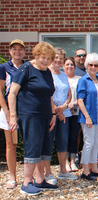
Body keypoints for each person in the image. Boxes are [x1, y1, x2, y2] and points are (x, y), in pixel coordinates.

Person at [8, 41, 58, 195]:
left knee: (44, 147)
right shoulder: (26, 68)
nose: (46, 61)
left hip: (45, 115)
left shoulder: (47, 72)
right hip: (29, 114)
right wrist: (13, 116)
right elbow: (12, 93)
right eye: (43, 57)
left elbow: (49, 95)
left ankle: (40, 180)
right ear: (36, 55)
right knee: (33, 146)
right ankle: (26, 182)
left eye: (49, 58)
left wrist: (53, 114)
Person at [46, 48, 78, 182]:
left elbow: (69, 93)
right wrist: (55, 110)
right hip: (50, 113)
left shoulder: (63, 74)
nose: (58, 60)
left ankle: (63, 171)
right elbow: (46, 93)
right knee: (48, 142)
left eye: (61, 58)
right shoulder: (46, 73)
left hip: (64, 113)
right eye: (56, 57)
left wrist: (64, 106)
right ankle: (47, 173)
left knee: (63, 141)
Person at [77, 52, 98, 181]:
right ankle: (85, 171)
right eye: (91, 65)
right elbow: (80, 100)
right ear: (86, 65)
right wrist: (87, 117)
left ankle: (95, 168)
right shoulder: (83, 80)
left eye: (96, 65)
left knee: (97, 143)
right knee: (89, 143)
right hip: (89, 118)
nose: (93, 67)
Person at [0, 39, 25, 189]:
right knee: (11, 144)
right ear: (9, 51)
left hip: (26, 111)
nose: (17, 51)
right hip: (8, 110)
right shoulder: (3, 67)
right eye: (14, 49)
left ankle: (29, 177)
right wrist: (7, 112)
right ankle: (12, 176)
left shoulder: (28, 66)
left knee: (29, 143)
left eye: (20, 49)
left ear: (24, 51)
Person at [63, 57, 81, 172]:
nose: (70, 66)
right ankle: (65, 162)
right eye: (67, 64)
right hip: (63, 112)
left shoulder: (79, 79)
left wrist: (73, 105)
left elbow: (81, 96)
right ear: (63, 66)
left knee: (74, 137)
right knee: (64, 137)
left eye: (72, 64)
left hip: (75, 112)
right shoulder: (60, 78)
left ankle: (72, 161)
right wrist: (65, 106)